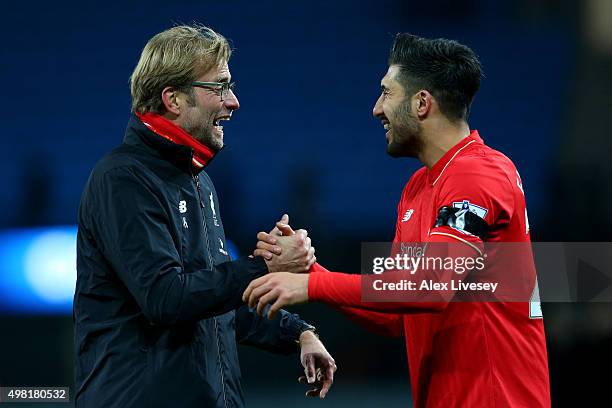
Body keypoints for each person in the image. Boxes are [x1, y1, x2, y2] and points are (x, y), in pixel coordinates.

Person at [244, 33, 551, 407]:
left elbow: (430, 287)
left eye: (387, 93)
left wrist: (312, 288)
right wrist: (310, 272)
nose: (376, 108)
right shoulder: (418, 187)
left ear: (422, 102)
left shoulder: (477, 173)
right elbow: (398, 313)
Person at [74, 24, 335, 408]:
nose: (233, 102)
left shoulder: (198, 182)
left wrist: (298, 333)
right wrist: (263, 266)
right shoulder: (123, 178)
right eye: (219, 87)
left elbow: (215, 307)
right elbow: (165, 297)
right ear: (174, 99)